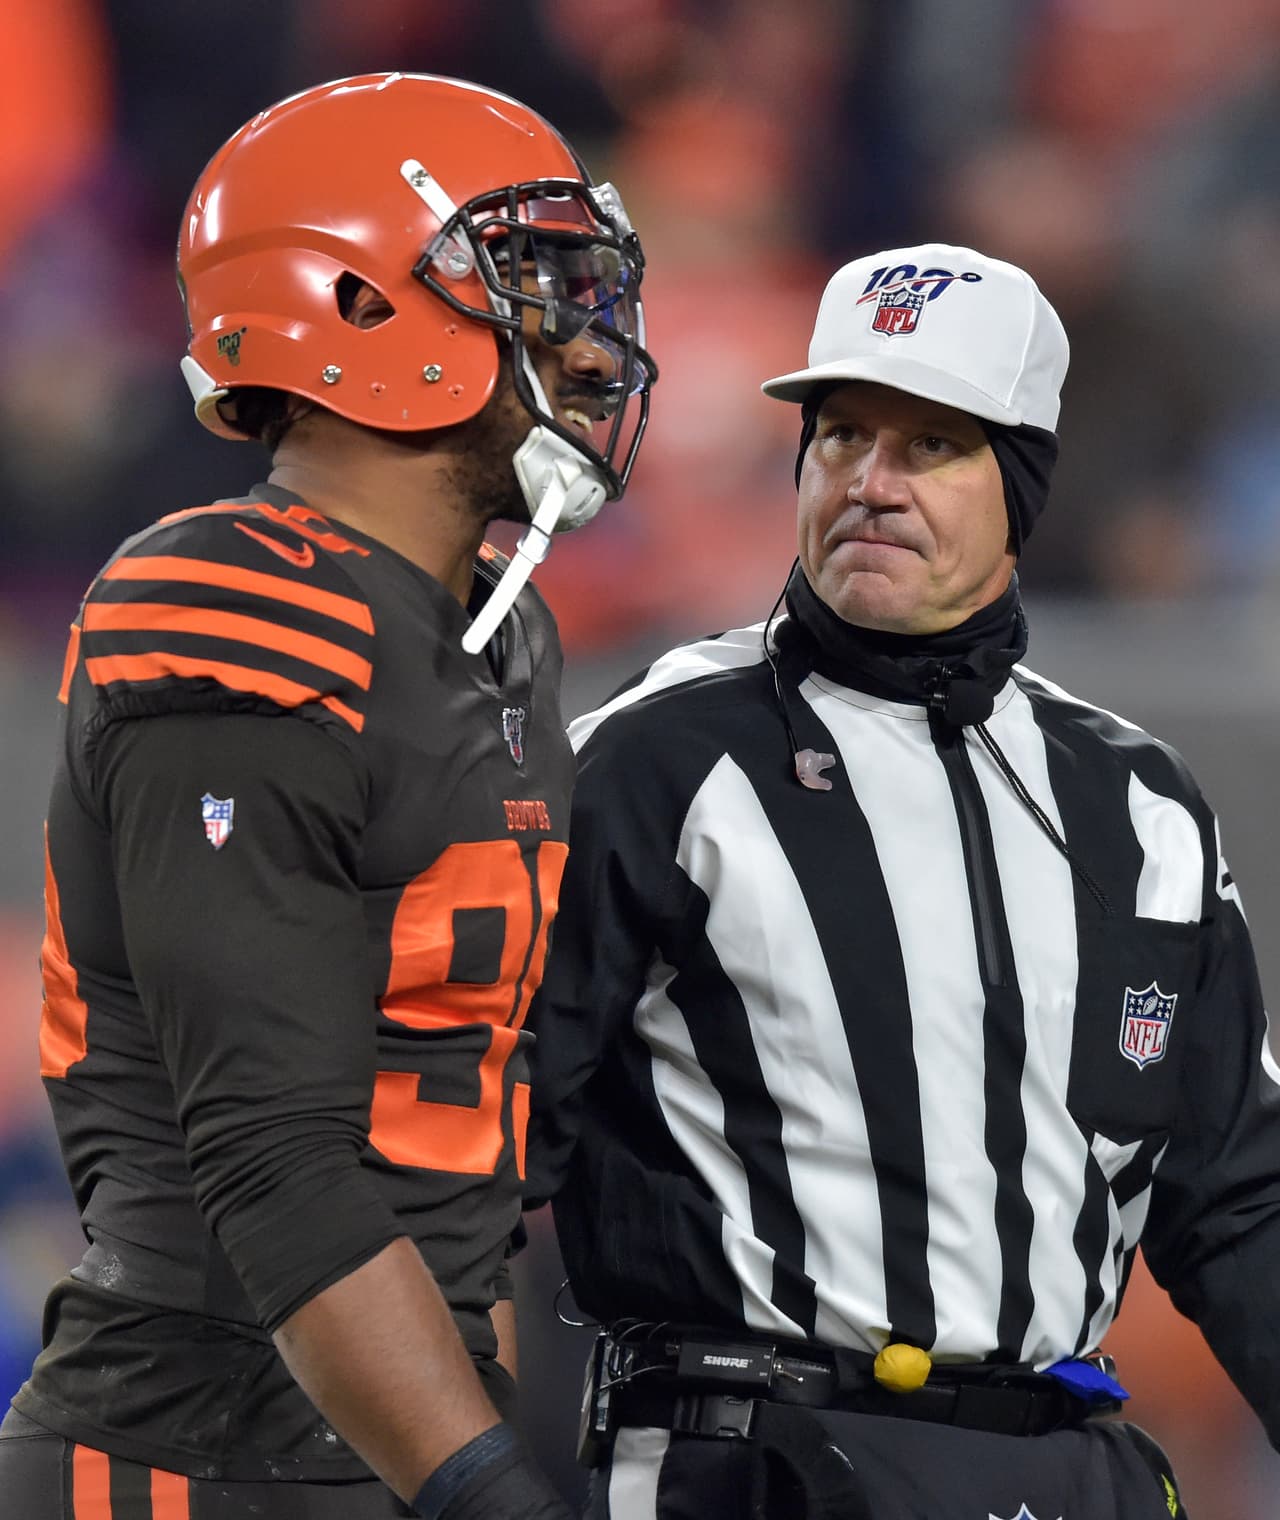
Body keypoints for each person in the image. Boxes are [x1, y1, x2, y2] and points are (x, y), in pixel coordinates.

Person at [524, 243, 1280, 1518]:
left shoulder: (1136, 804)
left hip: (1063, 1463)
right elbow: (474, 1153)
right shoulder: (655, 760)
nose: (870, 483)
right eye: (840, 436)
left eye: (929, 444)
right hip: (750, 1461)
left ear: (1019, 482)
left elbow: (1240, 1199)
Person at [0, 72, 655, 1520]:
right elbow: (272, 1158)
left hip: (382, 1443)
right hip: (194, 1453)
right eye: (529, 279)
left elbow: (463, 1150)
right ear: (361, 308)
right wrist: (489, 1495)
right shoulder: (234, 606)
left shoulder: (495, 626)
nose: (581, 336)